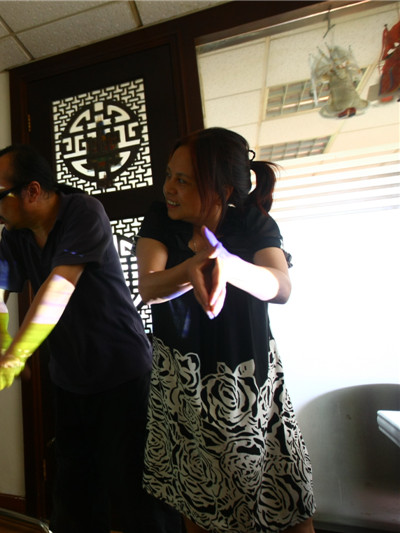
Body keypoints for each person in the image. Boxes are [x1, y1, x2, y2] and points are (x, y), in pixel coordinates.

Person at [0, 144, 181, 533]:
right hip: (70, 381)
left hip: (124, 376)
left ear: (32, 191)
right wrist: (2, 350)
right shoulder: (15, 235)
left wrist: (16, 357)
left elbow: (59, 287)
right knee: (74, 500)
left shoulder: (83, 211)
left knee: (141, 500)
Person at [135, 127, 316, 533]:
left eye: (183, 180)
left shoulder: (252, 223)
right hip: (182, 381)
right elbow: (150, 288)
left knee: (287, 500)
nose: (169, 188)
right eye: (169, 175)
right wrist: (192, 268)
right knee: (197, 501)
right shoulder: (160, 219)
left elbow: (281, 287)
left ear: (223, 190)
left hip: (249, 380)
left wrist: (229, 265)